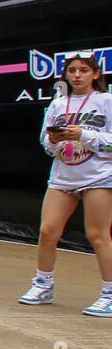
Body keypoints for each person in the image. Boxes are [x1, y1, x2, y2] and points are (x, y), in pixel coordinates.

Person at [18, 51, 112, 316]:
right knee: (48, 232)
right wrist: (55, 140)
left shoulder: (107, 101)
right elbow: (46, 145)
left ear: (95, 74)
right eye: (72, 71)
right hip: (62, 177)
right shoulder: (59, 104)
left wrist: (83, 133)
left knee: (98, 235)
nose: (77, 75)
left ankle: (109, 293)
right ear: (65, 76)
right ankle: (43, 285)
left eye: (83, 70)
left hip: (99, 176)